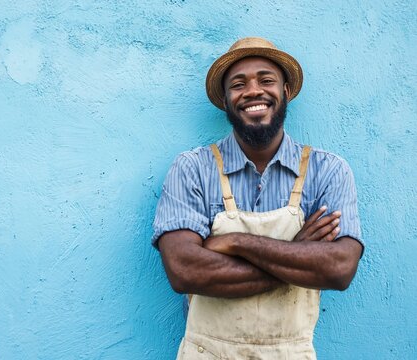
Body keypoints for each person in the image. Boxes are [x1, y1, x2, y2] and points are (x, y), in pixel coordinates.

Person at [152, 37, 364, 359]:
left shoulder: (328, 171)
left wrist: (237, 242)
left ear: (286, 91)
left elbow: (339, 268)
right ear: (226, 99)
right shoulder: (192, 168)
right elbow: (184, 270)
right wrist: (297, 255)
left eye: (266, 80)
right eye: (238, 84)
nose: (253, 91)